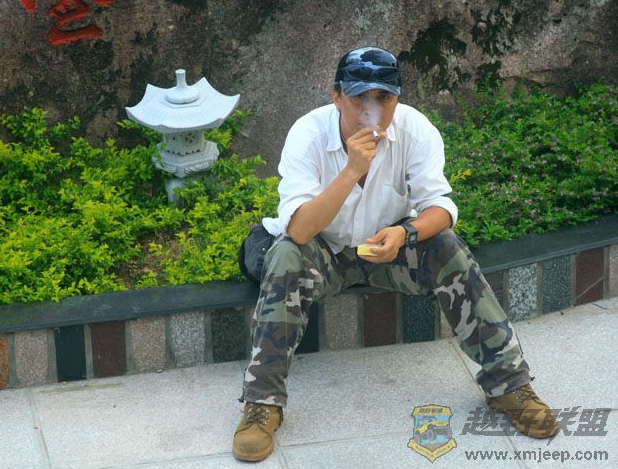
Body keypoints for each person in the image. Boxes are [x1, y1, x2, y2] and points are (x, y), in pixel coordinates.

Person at [232, 46, 559, 462]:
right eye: (359, 98)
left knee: (447, 246)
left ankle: (508, 385)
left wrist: (406, 233)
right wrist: (352, 169)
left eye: (383, 98)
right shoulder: (308, 134)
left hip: (388, 251)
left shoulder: (415, 130)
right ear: (336, 96)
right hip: (323, 251)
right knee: (285, 254)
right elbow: (299, 229)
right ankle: (262, 403)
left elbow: (441, 208)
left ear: (397, 100)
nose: (370, 110)